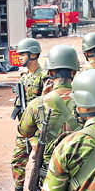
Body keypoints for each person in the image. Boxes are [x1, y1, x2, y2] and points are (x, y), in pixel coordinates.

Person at [17, 44, 82, 175]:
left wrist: (42, 98)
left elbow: (24, 131)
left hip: (50, 171)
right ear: (74, 72)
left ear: (50, 73)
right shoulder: (87, 102)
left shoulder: (37, 104)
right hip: (80, 169)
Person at [1, 38, 47, 191]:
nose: (19, 57)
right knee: (17, 161)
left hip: (39, 131)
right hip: (24, 129)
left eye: (23, 54)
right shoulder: (24, 77)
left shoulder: (44, 77)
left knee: (42, 164)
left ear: (33, 54)